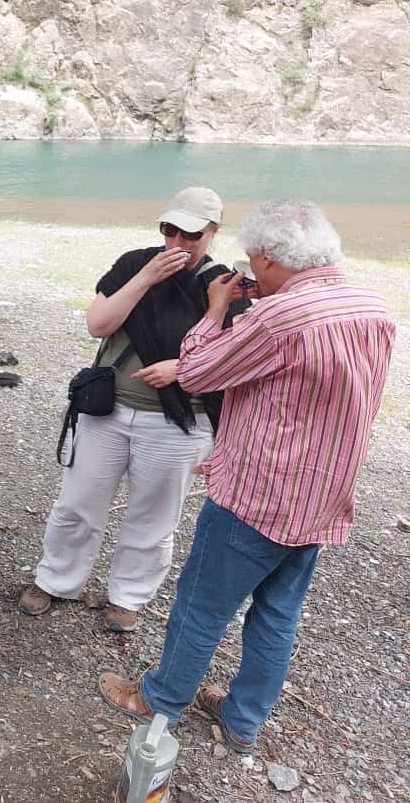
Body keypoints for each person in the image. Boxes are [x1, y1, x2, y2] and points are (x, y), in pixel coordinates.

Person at [98, 201, 394, 753]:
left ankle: (160, 698)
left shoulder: (280, 317)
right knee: (278, 613)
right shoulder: (370, 304)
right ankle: (242, 721)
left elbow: (198, 370)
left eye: (254, 262)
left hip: (261, 494)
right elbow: (315, 397)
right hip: (325, 494)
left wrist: (214, 310)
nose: (250, 271)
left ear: (270, 258)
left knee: (201, 604)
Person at [19, 187, 240, 633]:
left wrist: (182, 367)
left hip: (178, 418)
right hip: (110, 408)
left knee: (155, 517)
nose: (177, 242)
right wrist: (145, 279)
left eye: (191, 234)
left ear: (213, 232)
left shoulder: (226, 285)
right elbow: (97, 324)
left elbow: (235, 356)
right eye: (169, 230)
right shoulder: (133, 263)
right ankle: (57, 579)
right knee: (78, 502)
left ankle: (128, 596)